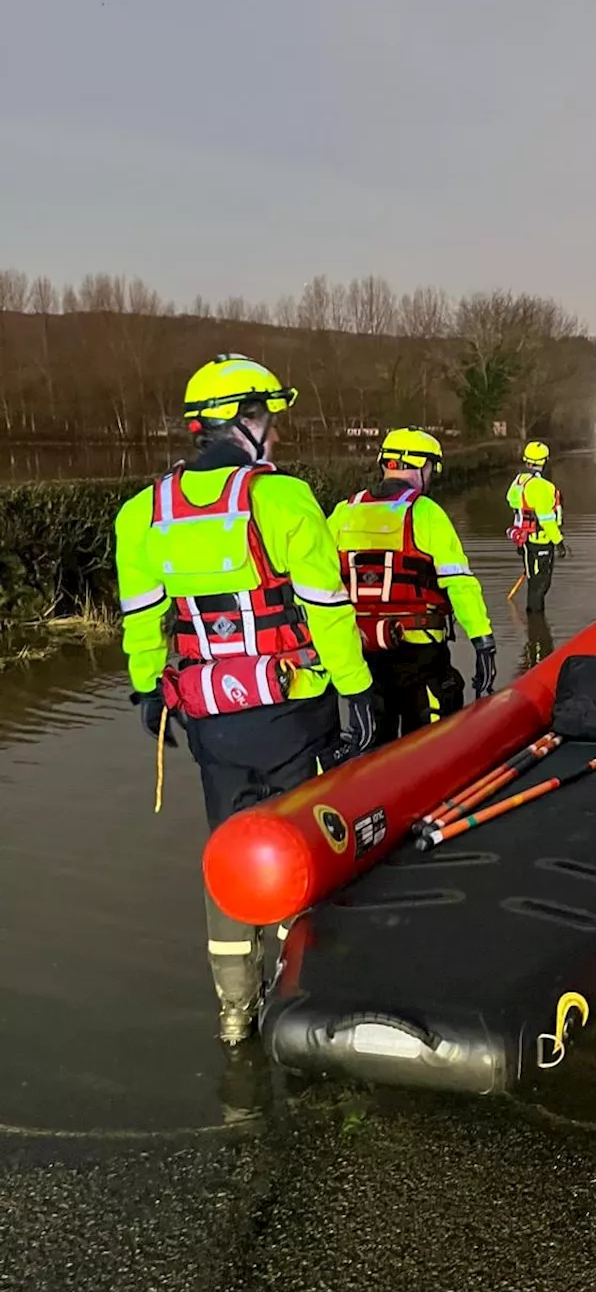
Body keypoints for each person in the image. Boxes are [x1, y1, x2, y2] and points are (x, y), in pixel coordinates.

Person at [114, 354, 376, 1045]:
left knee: (231, 853)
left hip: (211, 723)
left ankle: (235, 1014)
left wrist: (148, 691)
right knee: (308, 848)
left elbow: (142, 620)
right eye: (268, 418)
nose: (278, 434)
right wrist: (357, 690)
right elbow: (326, 608)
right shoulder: (283, 499)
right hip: (296, 715)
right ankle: (308, 1000)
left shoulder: (142, 514)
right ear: (240, 423)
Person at [328, 429, 496, 741]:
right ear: (422, 467)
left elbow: (319, 586)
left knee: (376, 739)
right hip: (419, 650)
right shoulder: (426, 512)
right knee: (435, 735)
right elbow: (459, 584)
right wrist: (483, 643)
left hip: (362, 653)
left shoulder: (343, 512)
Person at [506, 440, 565, 615]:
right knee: (541, 584)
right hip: (541, 541)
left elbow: (516, 508)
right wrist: (559, 541)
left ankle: (534, 627)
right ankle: (537, 627)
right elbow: (546, 519)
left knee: (533, 580)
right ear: (545, 461)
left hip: (524, 540)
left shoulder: (519, 482)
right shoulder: (543, 487)